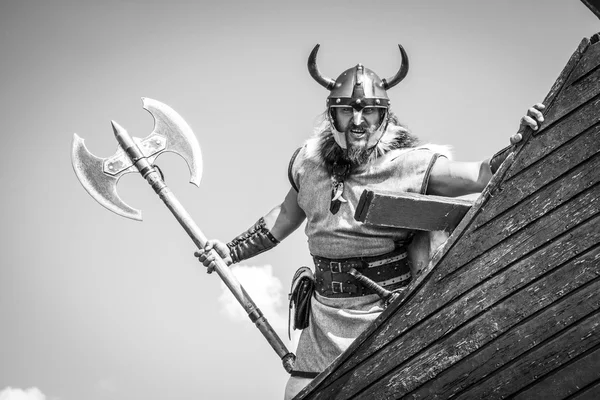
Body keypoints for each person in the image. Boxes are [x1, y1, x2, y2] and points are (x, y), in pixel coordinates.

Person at [194, 44, 545, 399]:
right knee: (297, 395)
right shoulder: (309, 165)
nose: (358, 121)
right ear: (333, 116)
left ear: (384, 117)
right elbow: (286, 215)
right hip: (324, 314)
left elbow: (481, 175)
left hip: (387, 313)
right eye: (347, 111)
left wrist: (519, 141)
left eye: (370, 113)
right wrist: (231, 251)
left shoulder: (410, 164)